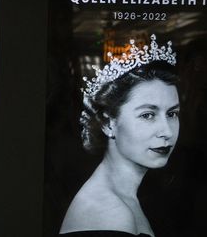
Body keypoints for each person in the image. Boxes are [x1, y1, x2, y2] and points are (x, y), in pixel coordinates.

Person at [59, 35, 180, 237]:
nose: (167, 132)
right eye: (147, 115)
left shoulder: (123, 197)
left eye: (172, 114)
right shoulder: (110, 214)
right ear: (108, 123)